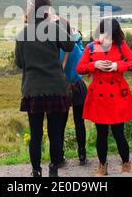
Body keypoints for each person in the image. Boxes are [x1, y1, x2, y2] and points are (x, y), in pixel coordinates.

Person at [15, 0, 75, 177]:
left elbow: (19, 63)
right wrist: (58, 23)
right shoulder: (53, 29)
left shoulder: (21, 34)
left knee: (35, 133)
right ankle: (53, 169)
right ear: (47, 11)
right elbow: (70, 46)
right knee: (55, 132)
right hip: (55, 89)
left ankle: (35, 171)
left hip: (32, 90)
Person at [76, 18, 132, 176]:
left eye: (109, 35)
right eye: (103, 33)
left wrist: (118, 65)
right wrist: (94, 65)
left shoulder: (120, 46)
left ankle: (126, 164)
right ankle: (102, 166)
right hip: (99, 97)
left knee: (119, 133)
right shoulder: (91, 48)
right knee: (101, 134)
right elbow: (79, 68)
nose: (104, 37)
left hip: (117, 96)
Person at [59, 26, 88, 166]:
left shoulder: (56, 49)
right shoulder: (75, 48)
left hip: (61, 88)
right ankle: (82, 154)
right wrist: (78, 41)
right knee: (79, 123)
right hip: (77, 85)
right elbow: (84, 58)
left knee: (60, 124)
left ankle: (59, 155)